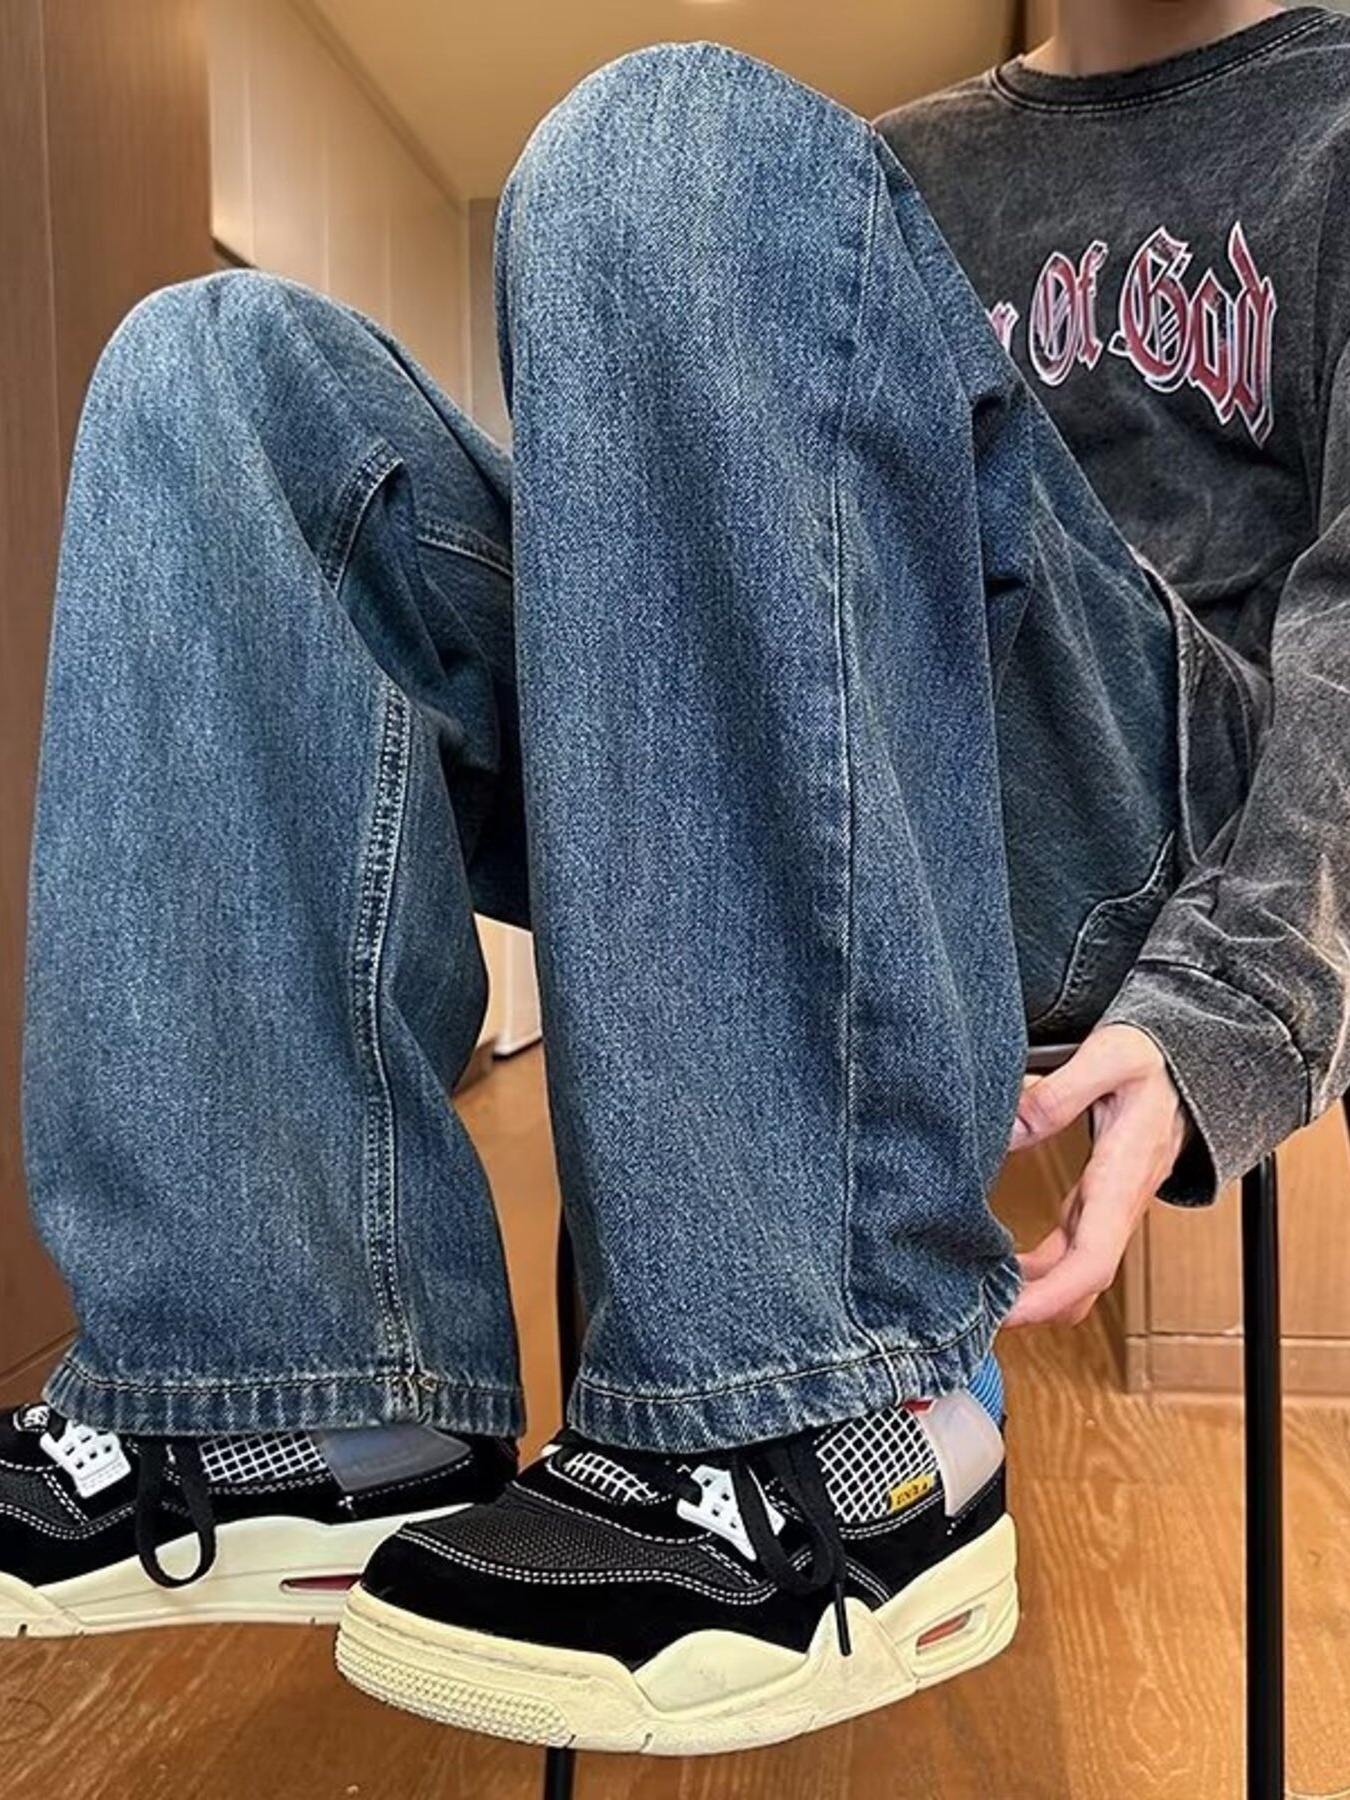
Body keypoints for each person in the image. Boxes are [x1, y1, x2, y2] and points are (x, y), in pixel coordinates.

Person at [2, 0, 1345, 1758]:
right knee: (220, 383)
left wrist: (1235, 1005)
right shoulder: (901, 166)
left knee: (671, 151)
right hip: (837, 799)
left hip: (1147, 835)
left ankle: (836, 1433)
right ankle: (291, 1393)